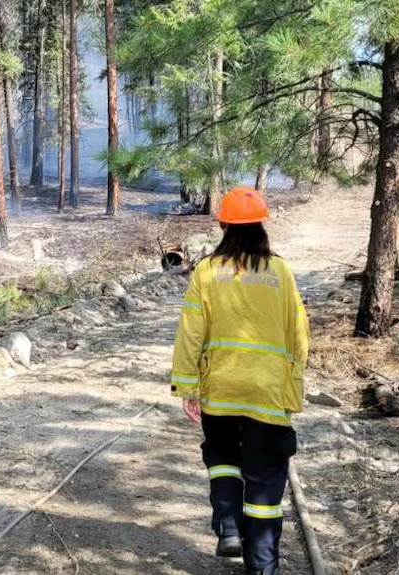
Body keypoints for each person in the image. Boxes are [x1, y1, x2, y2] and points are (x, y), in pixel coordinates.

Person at [170, 186, 309, 575]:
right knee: (265, 478)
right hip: (267, 393)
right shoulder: (280, 271)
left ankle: (229, 526)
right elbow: (299, 335)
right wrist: (291, 385)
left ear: (224, 225)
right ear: (261, 226)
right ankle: (262, 566)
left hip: (221, 389)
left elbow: (190, 333)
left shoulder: (208, 271)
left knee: (222, 458)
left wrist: (188, 387)